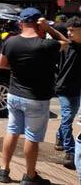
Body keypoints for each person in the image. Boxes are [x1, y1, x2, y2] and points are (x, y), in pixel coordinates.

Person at [0, 8, 69, 185]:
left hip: (14, 95)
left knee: (12, 131)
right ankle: (30, 176)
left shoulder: (11, 42)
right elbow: (65, 42)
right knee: (32, 137)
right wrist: (49, 29)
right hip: (36, 98)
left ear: (21, 22)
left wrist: (19, 68)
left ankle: (4, 170)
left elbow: (1, 64)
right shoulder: (46, 44)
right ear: (38, 23)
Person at [54, 16, 81, 170]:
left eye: (73, 30)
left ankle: (59, 136)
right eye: (68, 30)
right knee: (67, 117)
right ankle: (70, 152)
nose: (69, 33)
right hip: (63, 88)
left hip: (76, 89)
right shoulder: (65, 46)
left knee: (69, 117)